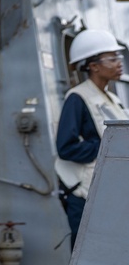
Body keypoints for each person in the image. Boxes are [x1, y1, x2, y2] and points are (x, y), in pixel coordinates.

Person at [54, 29, 128, 249]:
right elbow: (66, 148)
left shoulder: (112, 99)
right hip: (84, 194)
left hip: (107, 190)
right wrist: (107, 147)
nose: (119, 63)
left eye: (119, 57)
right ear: (94, 66)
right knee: (86, 251)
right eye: (112, 58)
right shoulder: (77, 98)